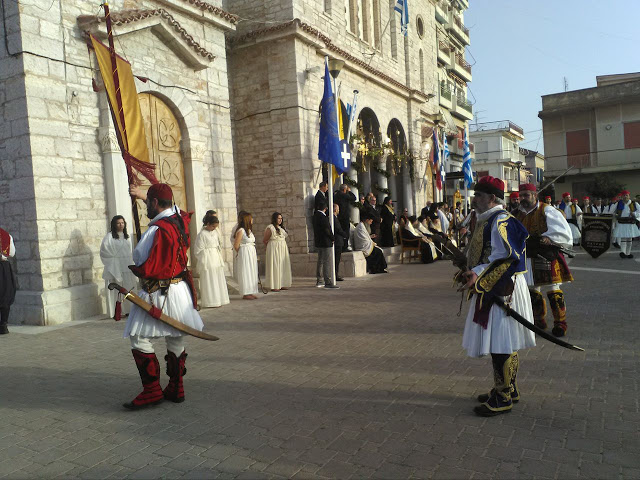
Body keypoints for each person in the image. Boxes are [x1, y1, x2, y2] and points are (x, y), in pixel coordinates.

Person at [458, 176, 535, 417]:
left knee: (503, 340)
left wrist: (477, 273)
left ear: (492, 198)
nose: (474, 199)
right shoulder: (487, 219)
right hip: (493, 284)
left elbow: (506, 258)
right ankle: (507, 388)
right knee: (503, 339)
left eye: (479, 195)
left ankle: (503, 397)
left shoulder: (500, 220)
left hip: (504, 287)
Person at [125, 183, 204, 410]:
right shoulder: (180, 221)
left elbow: (140, 258)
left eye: (148, 202)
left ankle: (151, 391)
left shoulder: (156, 229)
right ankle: (176, 387)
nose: (146, 207)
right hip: (180, 290)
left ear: (155, 203)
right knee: (176, 336)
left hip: (158, 291)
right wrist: (142, 195)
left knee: (138, 337)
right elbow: (173, 208)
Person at [515, 184, 574, 337]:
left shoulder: (546, 209)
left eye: (526, 195)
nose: (522, 198)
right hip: (528, 256)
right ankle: (538, 320)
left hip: (546, 255)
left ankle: (560, 323)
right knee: (532, 290)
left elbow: (562, 230)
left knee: (553, 289)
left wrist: (549, 237)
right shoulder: (518, 214)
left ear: (535, 195)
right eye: (521, 195)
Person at [100, 215, 137, 319]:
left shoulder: (127, 237)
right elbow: (104, 251)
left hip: (127, 267)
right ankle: (116, 312)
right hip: (115, 267)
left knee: (128, 288)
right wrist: (114, 261)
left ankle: (129, 310)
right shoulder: (109, 237)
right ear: (114, 225)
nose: (121, 225)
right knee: (116, 289)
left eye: (122, 223)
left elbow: (131, 252)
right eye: (118, 223)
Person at [193, 214, 229, 308]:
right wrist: (205, 256)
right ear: (207, 224)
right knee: (210, 280)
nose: (214, 228)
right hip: (208, 260)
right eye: (213, 226)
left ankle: (220, 299)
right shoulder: (202, 234)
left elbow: (218, 244)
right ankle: (211, 301)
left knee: (217, 279)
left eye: (215, 227)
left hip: (216, 258)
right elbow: (197, 250)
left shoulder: (215, 233)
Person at [263, 212, 292, 290]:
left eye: (281, 218)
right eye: (278, 218)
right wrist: (270, 248)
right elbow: (265, 240)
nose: (280, 220)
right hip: (274, 248)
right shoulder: (270, 227)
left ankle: (282, 283)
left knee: (282, 265)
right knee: (275, 265)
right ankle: (275, 285)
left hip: (282, 248)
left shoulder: (281, 228)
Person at [233, 212, 259, 299]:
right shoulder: (241, 231)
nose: (252, 220)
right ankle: (246, 292)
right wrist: (240, 253)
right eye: (251, 218)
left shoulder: (249, 231)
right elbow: (236, 245)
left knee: (252, 271)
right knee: (246, 271)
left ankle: (251, 291)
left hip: (250, 252)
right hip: (244, 253)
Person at [313, 200, 338, 288]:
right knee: (326, 261)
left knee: (320, 261)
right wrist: (332, 238)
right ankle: (327, 280)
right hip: (325, 242)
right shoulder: (323, 217)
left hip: (318, 242)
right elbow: (327, 229)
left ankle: (319, 279)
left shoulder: (315, 216)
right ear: (325, 208)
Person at [613, 190, 640, 259]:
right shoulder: (619, 203)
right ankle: (623, 252)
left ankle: (628, 253)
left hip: (630, 223)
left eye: (626, 195)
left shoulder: (634, 204)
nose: (625, 197)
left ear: (629, 196)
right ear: (622, 197)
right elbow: (612, 211)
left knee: (629, 239)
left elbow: (639, 212)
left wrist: (634, 214)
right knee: (623, 238)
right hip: (622, 223)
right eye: (624, 195)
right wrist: (616, 215)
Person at [0, 226, 16, 335]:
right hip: (4, 267)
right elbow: (12, 253)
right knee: (5, 294)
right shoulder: (6, 235)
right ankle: (3, 325)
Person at [333, 184, 356, 251]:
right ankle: (344, 247)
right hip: (344, 216)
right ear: (344, 190)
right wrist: (349, 191)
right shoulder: (344, 195)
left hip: (338, 216)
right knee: (345, 232)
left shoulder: (336, 195)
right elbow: (354, 198)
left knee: (340, 231)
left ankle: (342, 246)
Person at [332, 204, 348, 281]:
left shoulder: (335, 218)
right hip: (337, 241)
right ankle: (335, 275)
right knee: (336, 259)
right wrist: (345, 235)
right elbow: (338, 229)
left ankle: (336, 274)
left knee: (337, 260)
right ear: (335, 210)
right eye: (338, 209)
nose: (339, 210)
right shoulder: (333, 218)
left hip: (339, 241)